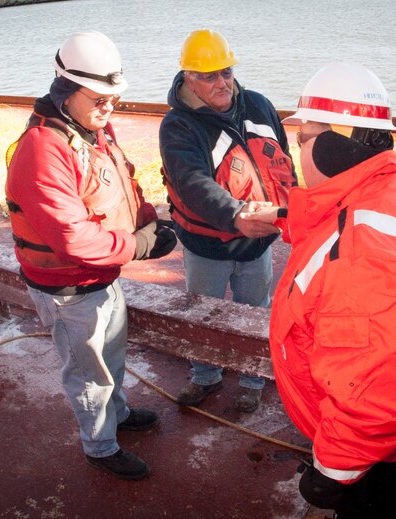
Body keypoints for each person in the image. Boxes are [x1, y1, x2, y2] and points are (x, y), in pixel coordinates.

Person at [241, 62, 396, 518]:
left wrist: (330, 474)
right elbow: (340, 224)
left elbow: (378, 399)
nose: (297, 152)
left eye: (303, 138)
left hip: (393, 457)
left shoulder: (364, 260)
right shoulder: (392, 191)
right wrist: (282, 217)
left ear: (332, 146)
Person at [4, 32, 177, 481]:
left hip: (102, 275)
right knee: (88, 374)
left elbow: (123, 181)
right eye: (99, 99)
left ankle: (116, 414)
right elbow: (73, 238)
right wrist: (139, 246)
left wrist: (148, 221)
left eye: (114, 99)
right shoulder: (42, 150)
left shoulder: (92, 127)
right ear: (66, 89)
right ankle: (99, 447)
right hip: (69, 289)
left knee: (110, 357)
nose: (109, 109)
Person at [159, 29, 296, 413]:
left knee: (255, 312)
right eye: (208, 76)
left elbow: (283, 159)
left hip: (258, 244)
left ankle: (253, 378)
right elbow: (191, 184)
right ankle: (206, 377)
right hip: (207, 247)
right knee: (204, 313)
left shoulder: (259, 105)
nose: (221, 82)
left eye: (226, 72)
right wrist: (235, 215)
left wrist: (292, 203)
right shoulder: (178, 126)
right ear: (189, 78)